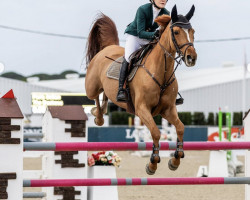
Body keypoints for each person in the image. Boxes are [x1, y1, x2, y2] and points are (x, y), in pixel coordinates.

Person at [116, 0, 169, 102]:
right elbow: (141, 33)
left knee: (162, 57)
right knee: (128, 57)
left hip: (150, 38)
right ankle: (121, 89)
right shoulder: (143, 9)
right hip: (135, 36)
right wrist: (155, 34)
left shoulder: (166, 13)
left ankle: (168, 90)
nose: (163, 0)